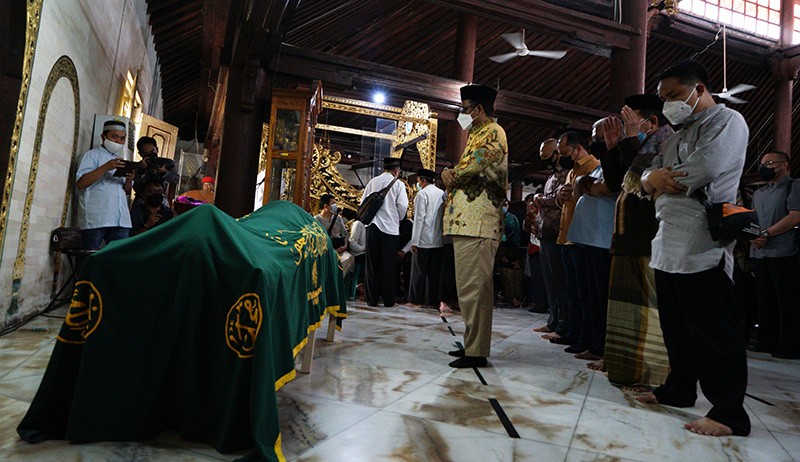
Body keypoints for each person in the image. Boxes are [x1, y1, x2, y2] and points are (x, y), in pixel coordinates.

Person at [639, 59, 750, 437]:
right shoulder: (676, 135)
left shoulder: (727, 122)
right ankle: (679, 388)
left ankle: (729, 412)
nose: (668, 103)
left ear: (698, 88)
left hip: (702, 240)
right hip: (668, 237)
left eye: (673, 95)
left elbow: (704, 169)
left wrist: (658, 180)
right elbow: (647, 174)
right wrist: (650, 177)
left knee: (713, 330)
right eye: (664, 97)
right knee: (676, 325)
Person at [596, 94, 673, 383]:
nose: (627, 127)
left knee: (647, 312)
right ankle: (623, 365)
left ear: (651, 121)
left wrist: (628, 142)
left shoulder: (667, 143)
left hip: (647, 237)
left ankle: (651, 373)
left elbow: (644, 181)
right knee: (623, 308)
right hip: (627, 238)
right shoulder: (637, 146)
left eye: (631, 121)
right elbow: (618, 183)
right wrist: (612, 148)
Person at [441, 84, 508, 368]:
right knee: (468, 289)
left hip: (479, 221)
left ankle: (477, 351)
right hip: (467, 220)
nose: (462, 114)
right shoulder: (477, 134)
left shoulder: (494, 131)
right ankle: (472, 344)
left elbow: (475, 165)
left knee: (476, 289)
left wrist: (450, 173)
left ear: (478, 109)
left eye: (465, 109)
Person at [564, 121, 617, 362]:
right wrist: (584, 186)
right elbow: (584, 188)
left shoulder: (612, 162)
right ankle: (588, 338)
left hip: (602, 238)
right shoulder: (600, 165)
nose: (594, 141)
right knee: (587, 294)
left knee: (598, 296)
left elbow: (608, 188)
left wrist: (587, 187)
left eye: (598, 136)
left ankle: (600, 344)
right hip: (587, 238)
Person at [749, 151, 800, 359]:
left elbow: (795, 216)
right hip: (760, 253)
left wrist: (767, 233)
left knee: (786, 301)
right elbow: (752, 218)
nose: (766, 167)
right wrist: (754, 235)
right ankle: (766, 339)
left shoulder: (794, 186)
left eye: (770, 163)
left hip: (783, 252)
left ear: (784, 165)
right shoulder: (759, 193)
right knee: (764, 300)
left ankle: (790, 344)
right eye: (763, 163)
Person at [554, 131, 600, 349]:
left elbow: (590, 197)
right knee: (571, 290)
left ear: (577, 147)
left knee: (583, 292)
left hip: (581, 237)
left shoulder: (592, 166)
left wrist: (572, 194)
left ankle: (583, 337)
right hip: (567, 235)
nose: (562, 156)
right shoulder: (572, 171)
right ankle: (572, 332)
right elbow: (566, 199)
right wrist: (559, 196)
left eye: (565, 151)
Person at [531, 139, 571, 339]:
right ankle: (553, 320)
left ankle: (563, 323)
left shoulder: (567, 174)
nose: (544, 160)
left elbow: (560, 199)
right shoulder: (552, 176)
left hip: (557, 232)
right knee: (549, 280)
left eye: (546, 156)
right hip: (544, 231)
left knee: (558, 280)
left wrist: (541, 199)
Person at [75, 119, 134, 250]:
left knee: (118, 258)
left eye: (122, 138)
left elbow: (127, 191)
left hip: (120, 219)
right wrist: (106, 167)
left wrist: (129, 179)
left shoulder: (122, 161)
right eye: (114, 137)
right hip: (96, 218)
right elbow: (81, 183)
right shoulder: (91, 156)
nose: (118, 141)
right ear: (103, 137)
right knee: (89, 257)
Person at [360, 157, 408, 307]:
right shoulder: (398, 184)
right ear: (396, 170)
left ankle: (371, 299)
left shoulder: (373, 182)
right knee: (389, 265)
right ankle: (388, 300)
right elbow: (402, 206)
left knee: (372, 264)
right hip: (390, 229)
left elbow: (363, 203)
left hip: (372, 226)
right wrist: (396, 218)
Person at [407, 168, 446, 308]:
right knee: (434, 274)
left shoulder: (422, 194)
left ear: (422, 180)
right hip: (438, 240)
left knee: (418, 272)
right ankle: (433, 301)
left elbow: (419, 219)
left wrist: (414, 241)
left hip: (423, 240)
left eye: (418, 180)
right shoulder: (441, 193)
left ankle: (415, 300)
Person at [132, 136, 179, 205]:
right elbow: (136, 188)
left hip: (161, 201)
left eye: (152, 151)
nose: (150, 155)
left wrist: (164, 172)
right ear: (140, 154)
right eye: (145, 153)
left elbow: (176, 180)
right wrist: (142, 170)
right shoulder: (138, 166)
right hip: (142, 202)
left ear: (157, 149)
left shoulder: (167, 163)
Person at [315, 194, 354, 276]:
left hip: (339, 250)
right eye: (333, 204)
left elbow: (345, 235)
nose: (335, 206)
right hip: (324, 251)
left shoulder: (338, 218)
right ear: (326, 206)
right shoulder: (316, 220)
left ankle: (335, 279)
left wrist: (345, 246)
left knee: (348, 258)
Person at [496, 199, 523, 307]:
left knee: (515, 272)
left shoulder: (512, 219)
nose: (504, 207)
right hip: (497, 253)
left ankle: (517, 298)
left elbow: (515, 238)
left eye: (505, 205)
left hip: (510, 251)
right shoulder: (494, 217)